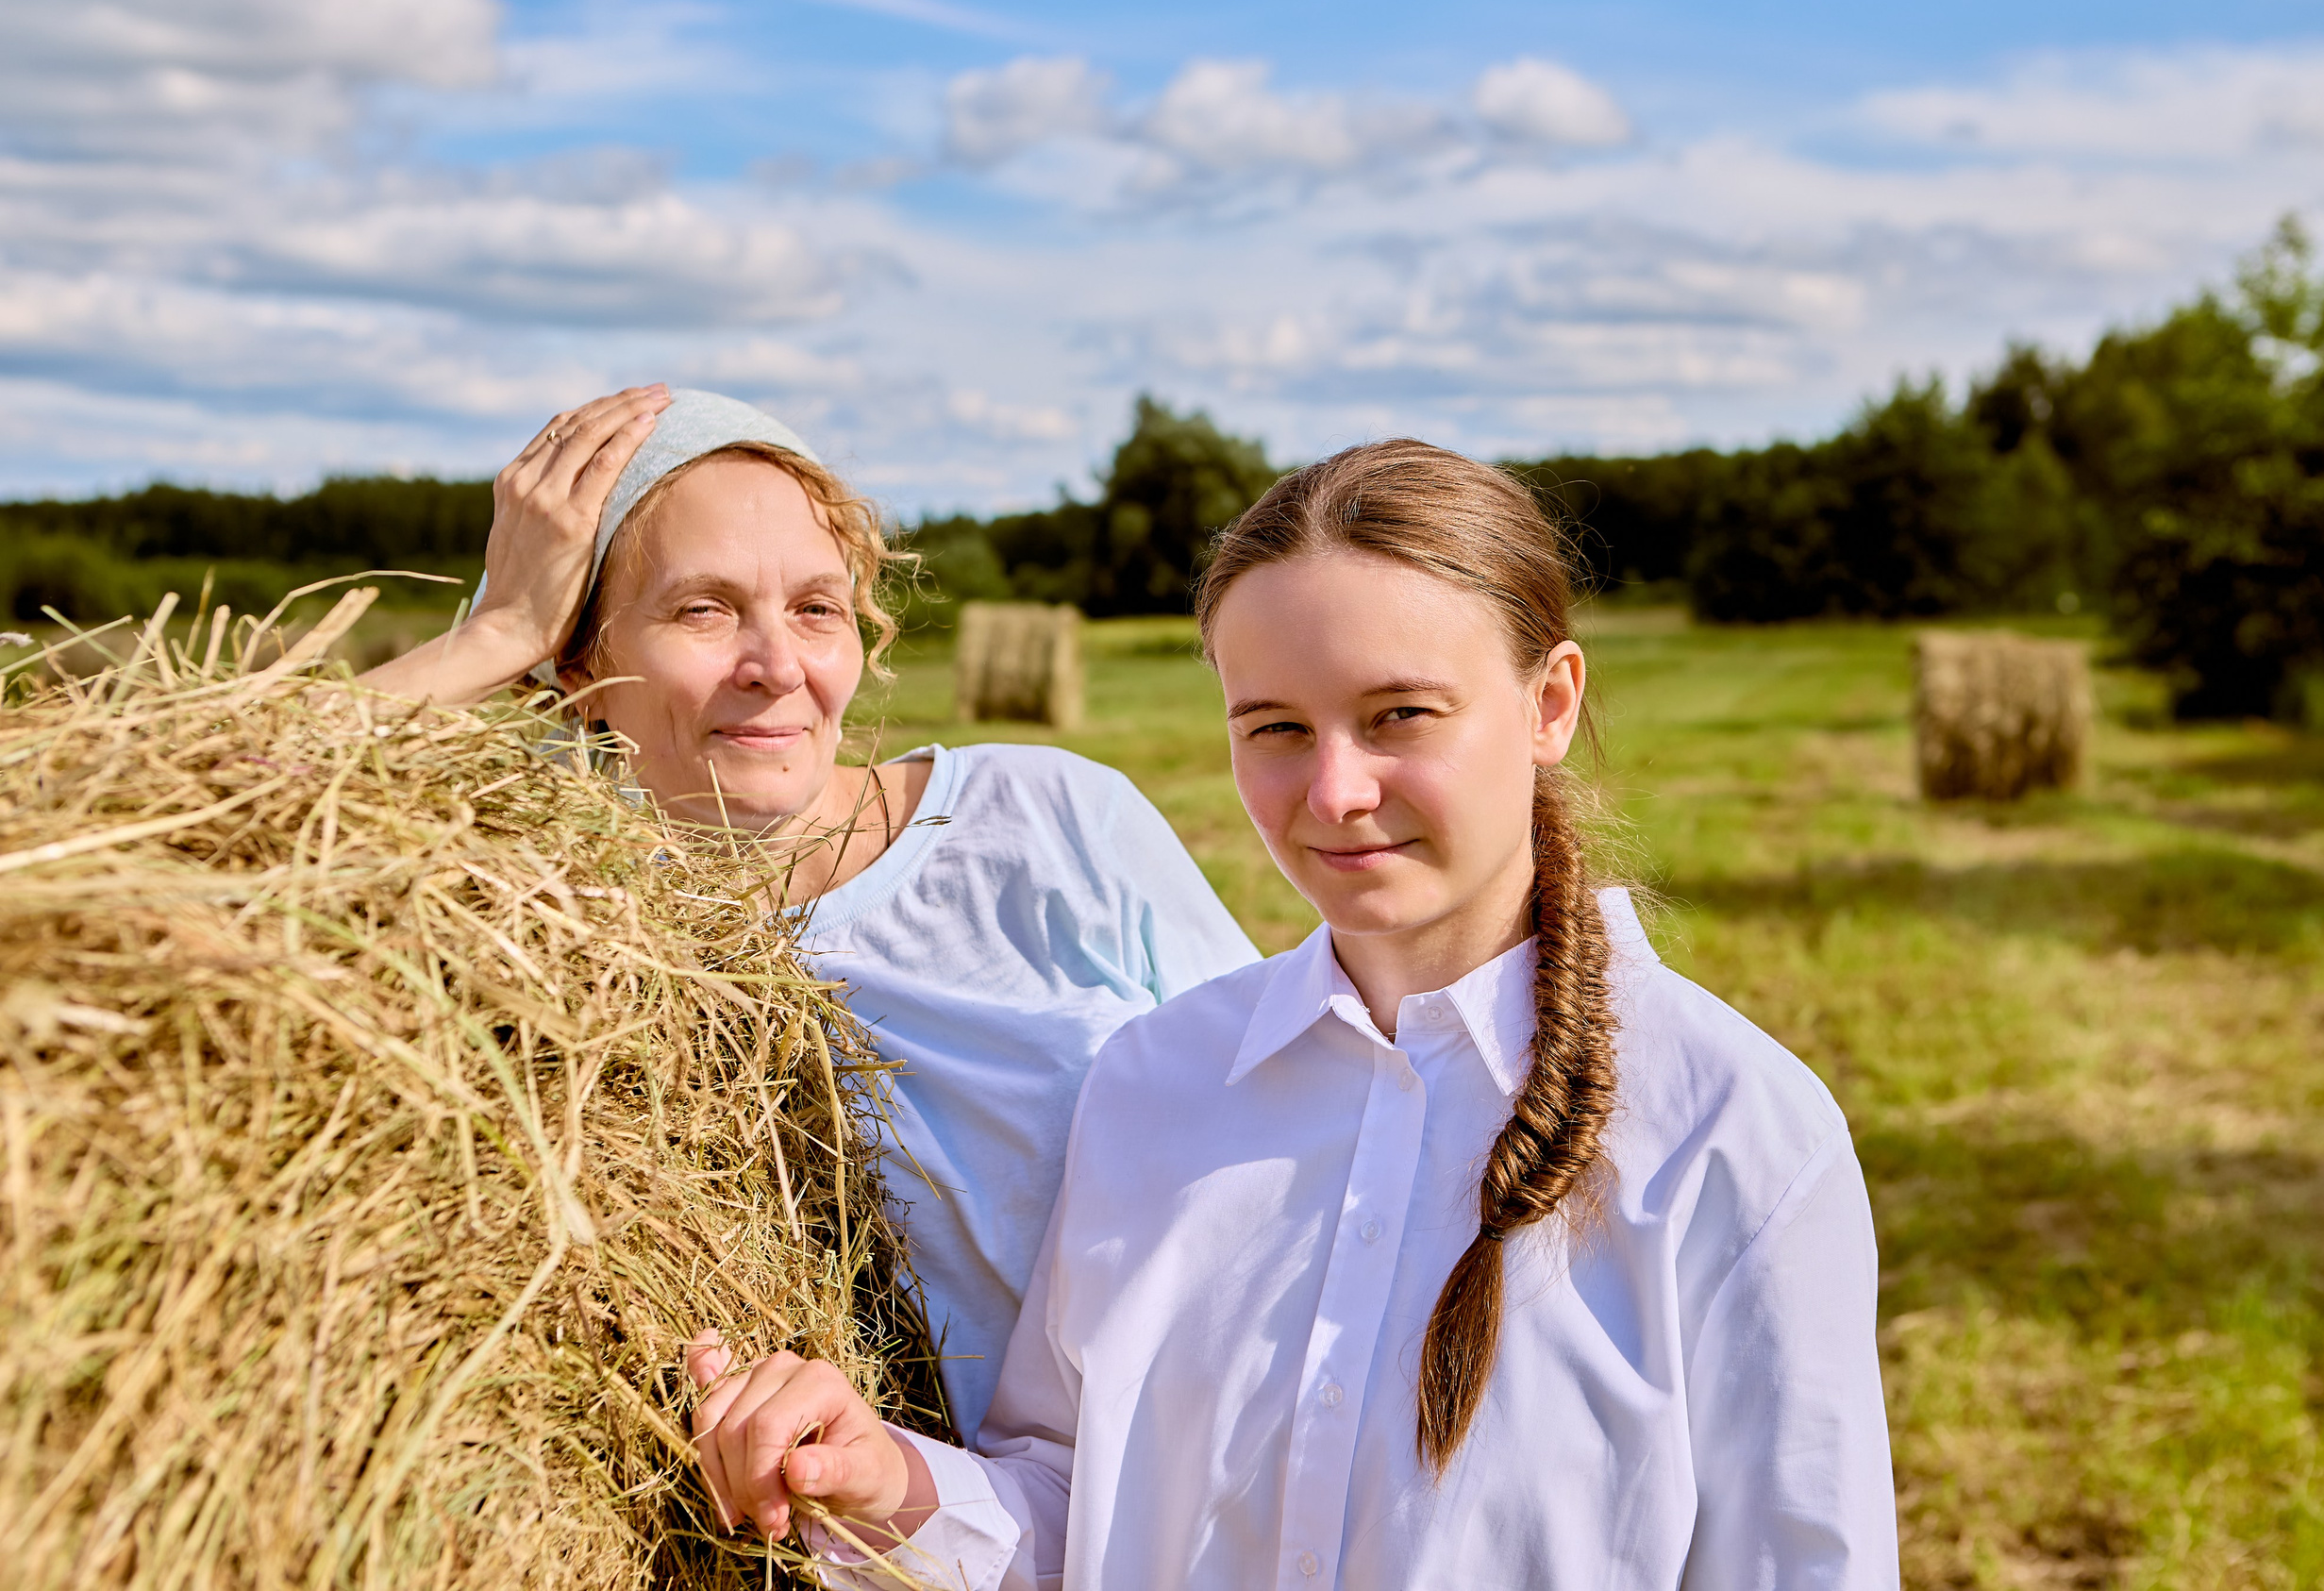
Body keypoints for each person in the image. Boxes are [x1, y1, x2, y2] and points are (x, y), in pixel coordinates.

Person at [694, 439, 1899, 1588]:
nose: (1334, 791)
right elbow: (1072, 1510)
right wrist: (884, 1479)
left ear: (1551, 703)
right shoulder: (1151, 1087)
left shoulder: (1738, 1136)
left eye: (1400, 716)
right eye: (1275, 728)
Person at [363, 384, 1259, 1442]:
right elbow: (175, 827)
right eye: (703, 609)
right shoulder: (552, 932)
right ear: (578, 660)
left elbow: (1309, 1119)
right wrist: (498, 627)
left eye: (816, 608)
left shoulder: (1051, 822)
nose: (777, 666)